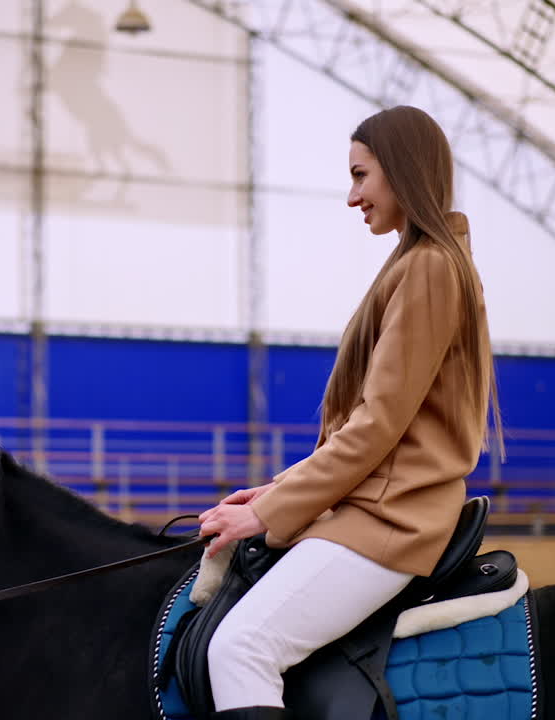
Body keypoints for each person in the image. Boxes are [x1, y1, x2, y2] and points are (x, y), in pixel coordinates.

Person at [197, 105, 502, 720]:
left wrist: (269, 513)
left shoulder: (429, 269)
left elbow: (377, 427)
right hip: (374, 506)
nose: (352, 196)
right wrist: (274, 490)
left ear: (403, 171)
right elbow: (373, 427)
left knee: (240, 647)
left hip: (391, 519)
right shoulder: (418, 263)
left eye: (362, 176)